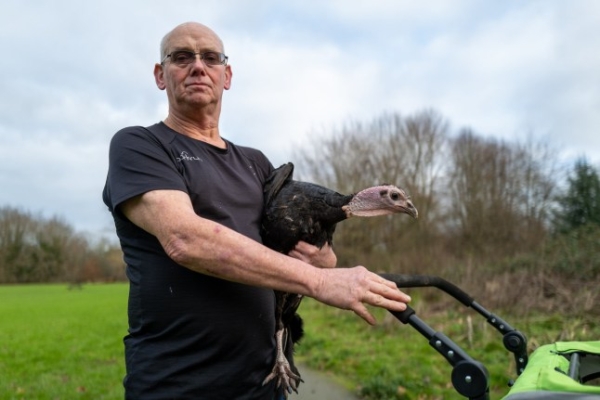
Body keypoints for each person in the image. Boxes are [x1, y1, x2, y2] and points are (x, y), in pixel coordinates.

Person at [102, 22, 411, 400]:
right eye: (181, 57)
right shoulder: (140, 145)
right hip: (177, 383)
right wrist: (319, 282)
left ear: (226, 75)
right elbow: (184, 238)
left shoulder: (257, 164)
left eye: (211, 58)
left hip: (263, 382)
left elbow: (308, 254)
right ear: (160, 75)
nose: (198, 67)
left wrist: (324, 261)